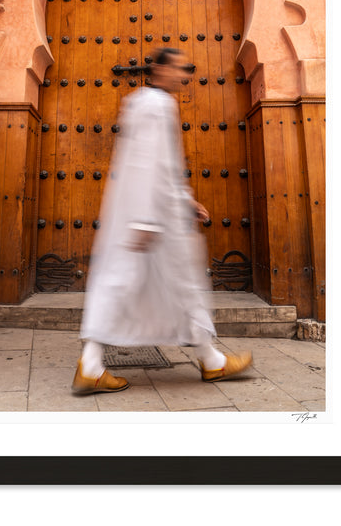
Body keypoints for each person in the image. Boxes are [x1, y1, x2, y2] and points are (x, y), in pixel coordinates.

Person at [72, 47, 252, 395]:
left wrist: (185, 201)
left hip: (152, 213)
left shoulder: (141, 102)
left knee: (159, 286)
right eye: (180, 69)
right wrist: (145, 220)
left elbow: (162, 166)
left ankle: (209, 359)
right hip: (151, 218)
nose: (184, 76)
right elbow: (145, 163)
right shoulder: (156, 105)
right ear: (159, 69)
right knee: (135, 283)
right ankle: (93, 365)